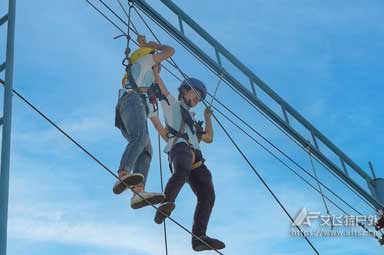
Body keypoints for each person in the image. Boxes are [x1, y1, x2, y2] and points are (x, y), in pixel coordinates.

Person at [150, 66, 225, 251]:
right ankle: (166, 203)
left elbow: (209, 138)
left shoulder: (193, 124)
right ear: (184, 90)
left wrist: (208, 117)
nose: (196, 101)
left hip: (197, 162)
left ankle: (199, 238)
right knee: (181, 171)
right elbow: (161, 85)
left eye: (199, 100)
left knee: (208, 195)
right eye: (196, 96)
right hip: (180, 150)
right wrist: (155, 71)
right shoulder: (172, 106)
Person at [113, 35, 175, 210]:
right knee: (140, 137)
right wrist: (153, 45)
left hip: (129, 111)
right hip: (131, 101)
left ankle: (138, 192)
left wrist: (174, 144)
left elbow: (157, 126)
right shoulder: (144, 62)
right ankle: (124, 173)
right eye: (159, 64)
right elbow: (170, 51)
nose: (160, 68)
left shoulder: (148, 96)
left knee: (147, 149)